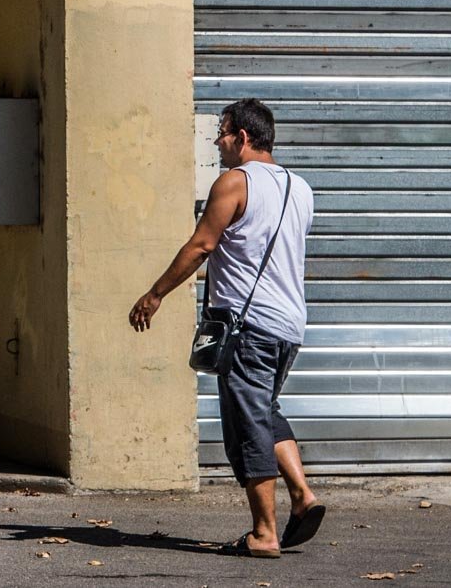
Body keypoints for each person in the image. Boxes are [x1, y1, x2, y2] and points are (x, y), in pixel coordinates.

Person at [127, 98, 325, 558]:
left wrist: (155, 294)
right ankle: (301, 495)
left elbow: (201, 246)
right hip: (288, 325)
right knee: (264, 408)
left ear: (243, 136)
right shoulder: (301, 188)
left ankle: (265, 532)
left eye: (222, 131)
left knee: (248, 424)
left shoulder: (234, 182)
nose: (217, 140)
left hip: (247, 326)